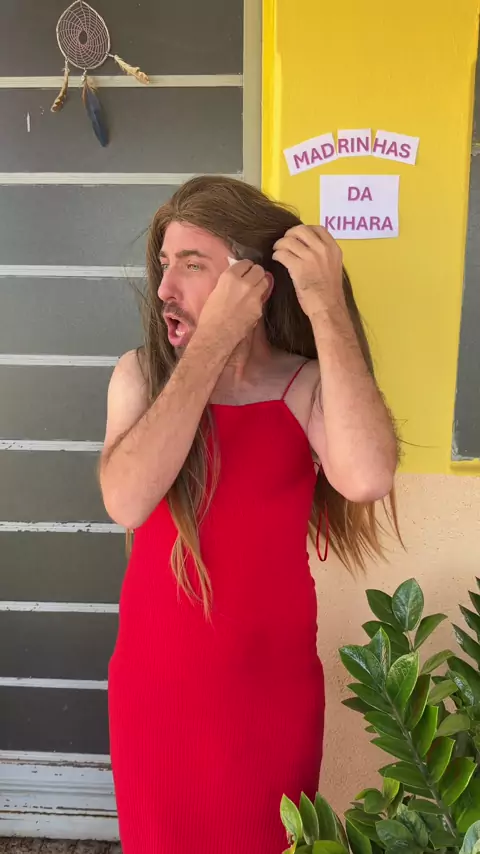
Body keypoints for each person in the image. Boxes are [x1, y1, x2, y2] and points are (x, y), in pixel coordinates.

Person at [100, 176, 399, 854]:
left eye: (191, 264)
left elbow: (368, 476)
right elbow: (127, 498)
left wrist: (325, 302)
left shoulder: (302, 386)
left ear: (253, 283)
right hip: (156, 691)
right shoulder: (141, 376)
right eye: (163, 265)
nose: (165, 287)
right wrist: (212, 345)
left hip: (270, 697)